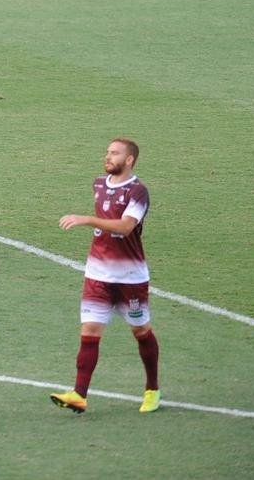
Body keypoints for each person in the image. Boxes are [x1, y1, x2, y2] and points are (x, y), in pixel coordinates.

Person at [51, 138, 160, 415]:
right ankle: (79, 394)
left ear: (130, 159)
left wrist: (87, 220)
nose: (108, 157)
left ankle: (152, 390)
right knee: (89, 331)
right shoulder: (99, 184)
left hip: (130, 278)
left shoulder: (138, 191)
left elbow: (125, 227)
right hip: (97, 274)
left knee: (141, 331)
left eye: (115, 153)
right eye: (107, 152)